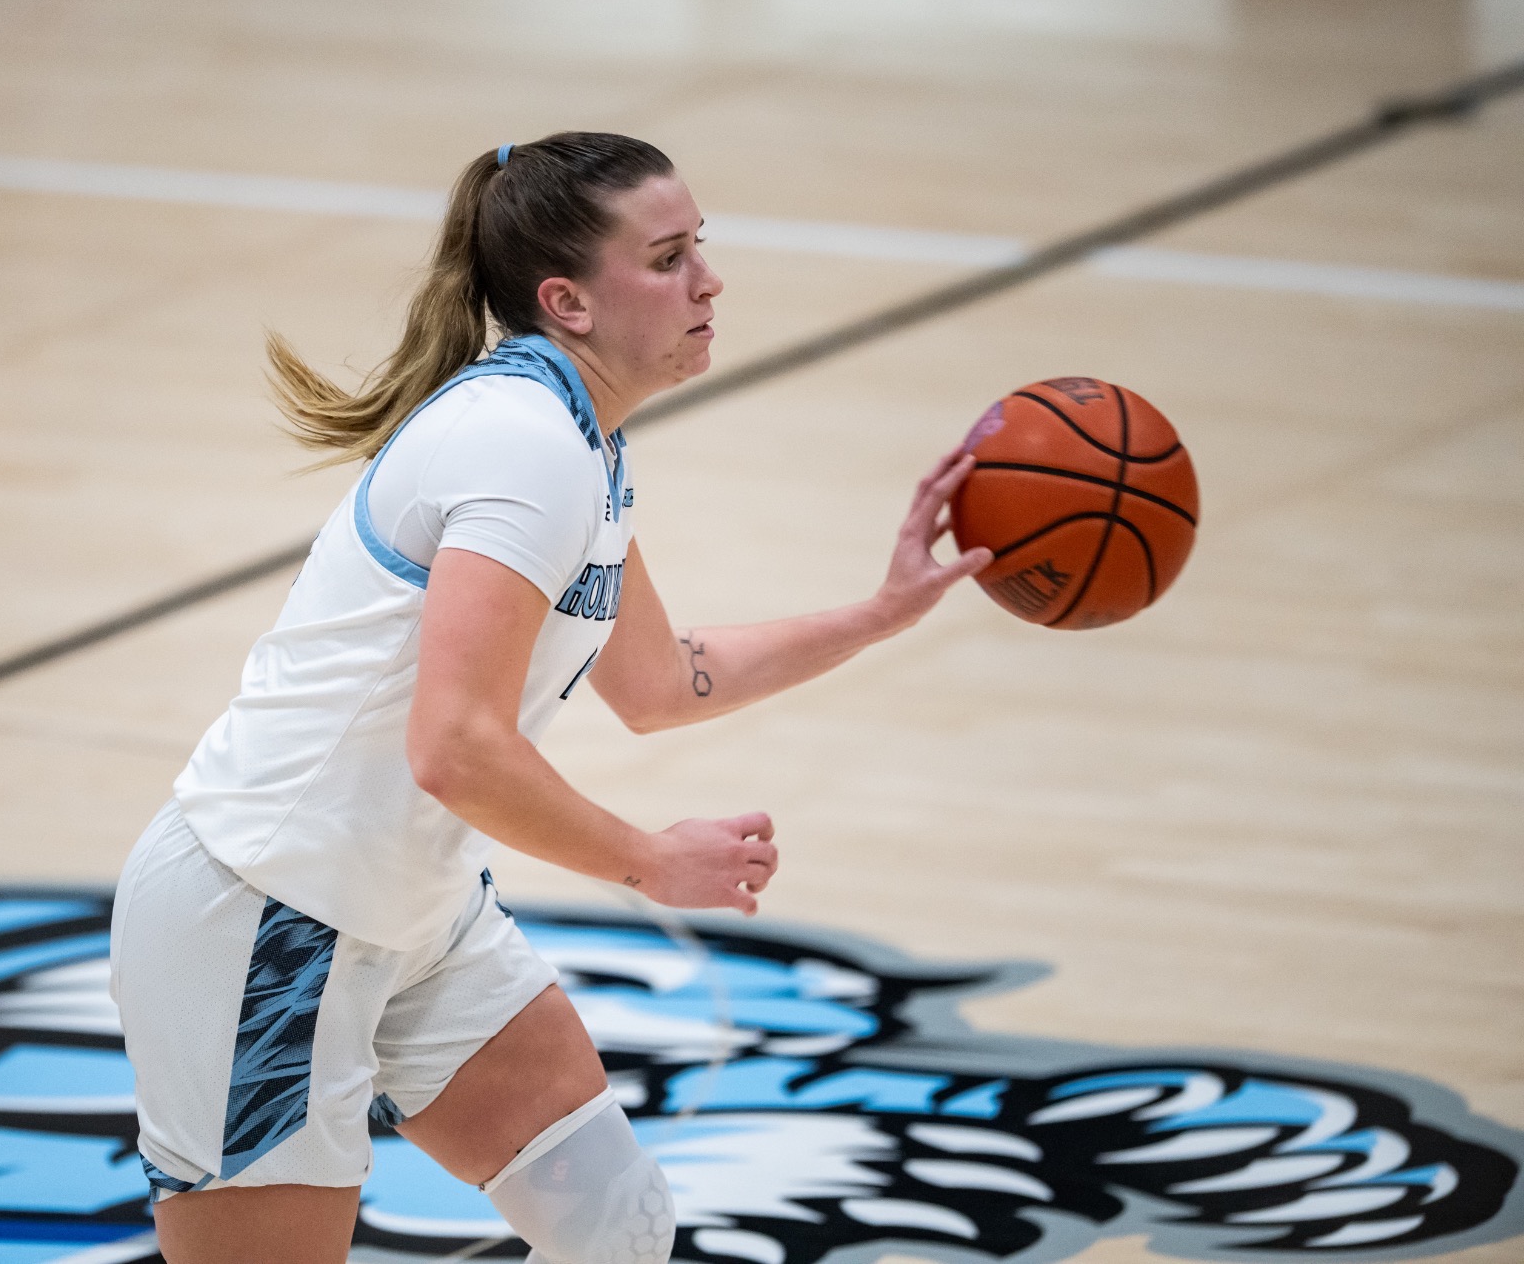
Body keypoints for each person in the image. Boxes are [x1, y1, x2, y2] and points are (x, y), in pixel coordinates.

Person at [109, 132, 992, 1264]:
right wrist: (648, 861)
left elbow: (658, 681)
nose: (709, 281)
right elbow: (455, 746)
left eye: (699, 247)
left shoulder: (582, 443)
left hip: (411, 912)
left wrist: (879, 612)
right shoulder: (521, 445)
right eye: (668, 258)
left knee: (613, 1229)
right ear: (567, 301)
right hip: (268, 913)